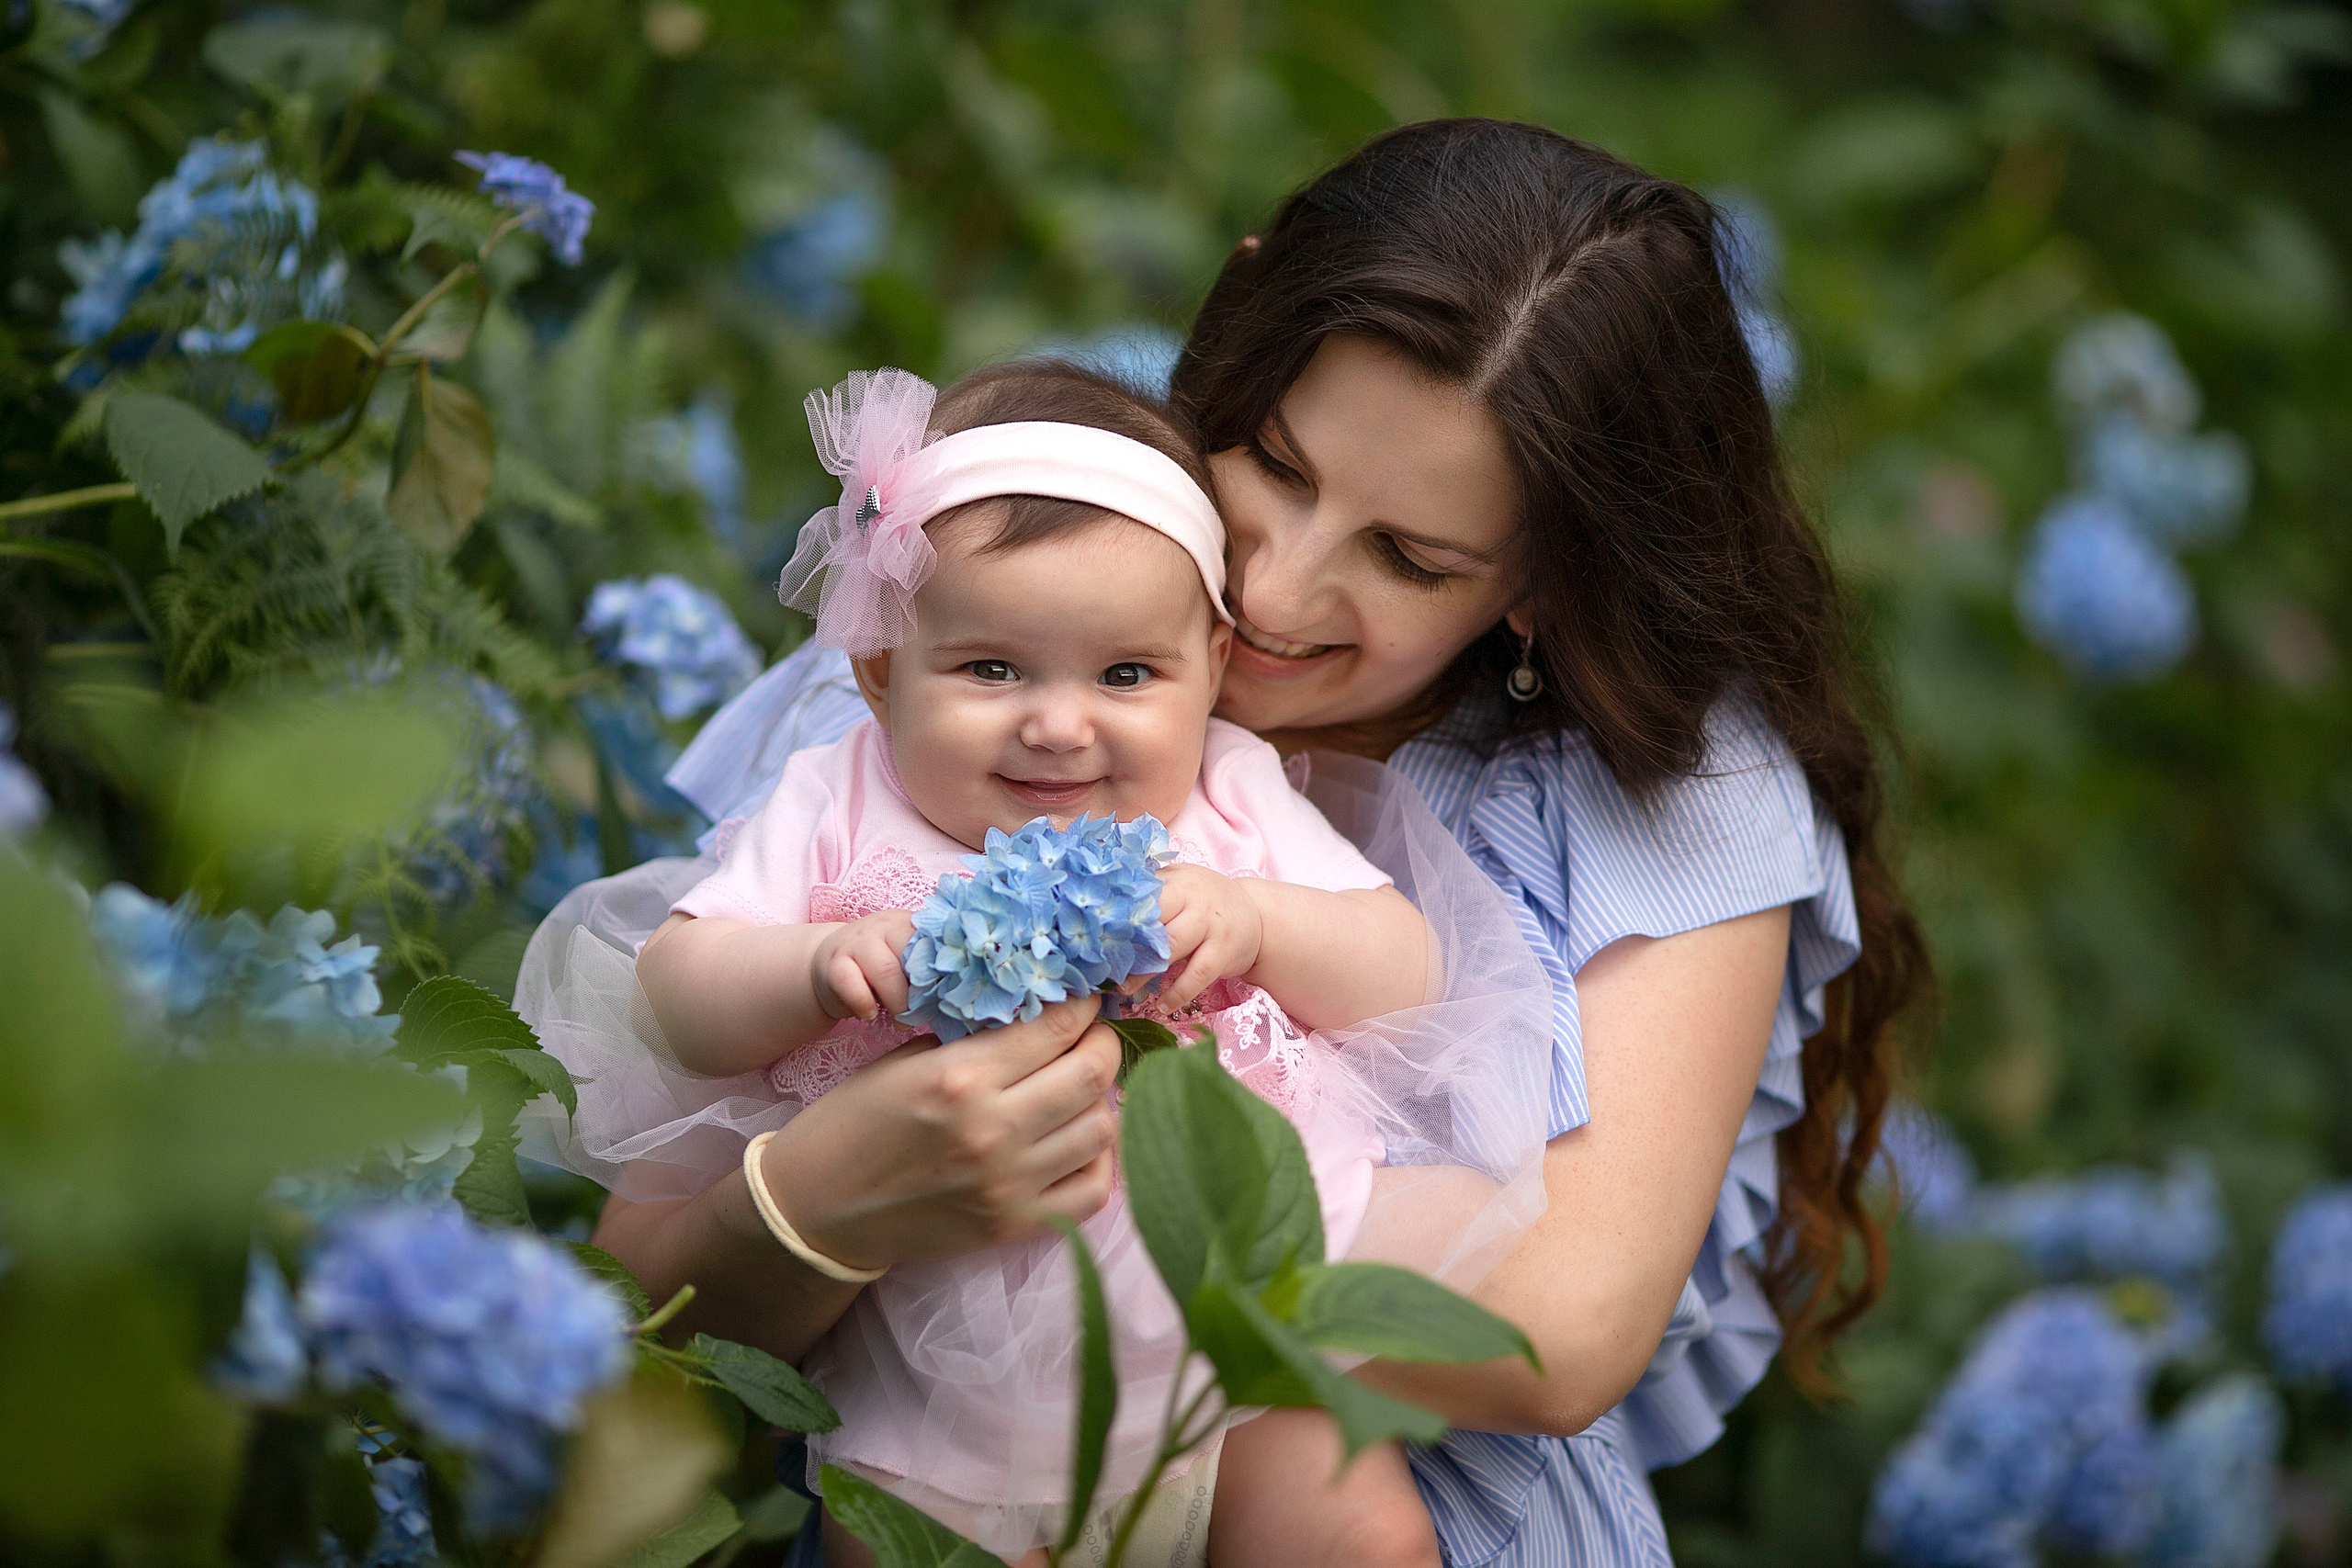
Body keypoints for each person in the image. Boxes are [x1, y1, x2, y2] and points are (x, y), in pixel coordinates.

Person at [579, 118, 1928, 1566]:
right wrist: (824, 1197)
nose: (1274, 588)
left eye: (1411, 558)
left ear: (1548, 574)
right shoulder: (976, 619)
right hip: (949, 1484)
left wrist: (1087, 1211)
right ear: (1234, 328)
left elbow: (1560, 1330)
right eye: (1276, 467)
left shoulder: (1668, 784)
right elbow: (643, 1290)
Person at [525, 359, 1554, 1565]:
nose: (1061, 724)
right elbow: (676, 999)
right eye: (992, 669)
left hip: (1239, 1331)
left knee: (1358, 1534)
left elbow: (1406, 972)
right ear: (877, 673)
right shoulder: (839, 800)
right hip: (941, 1368)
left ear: (1213, 668)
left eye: (1126, 675)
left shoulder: (1227, 797)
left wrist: (1264, 924)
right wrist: (815, 966)